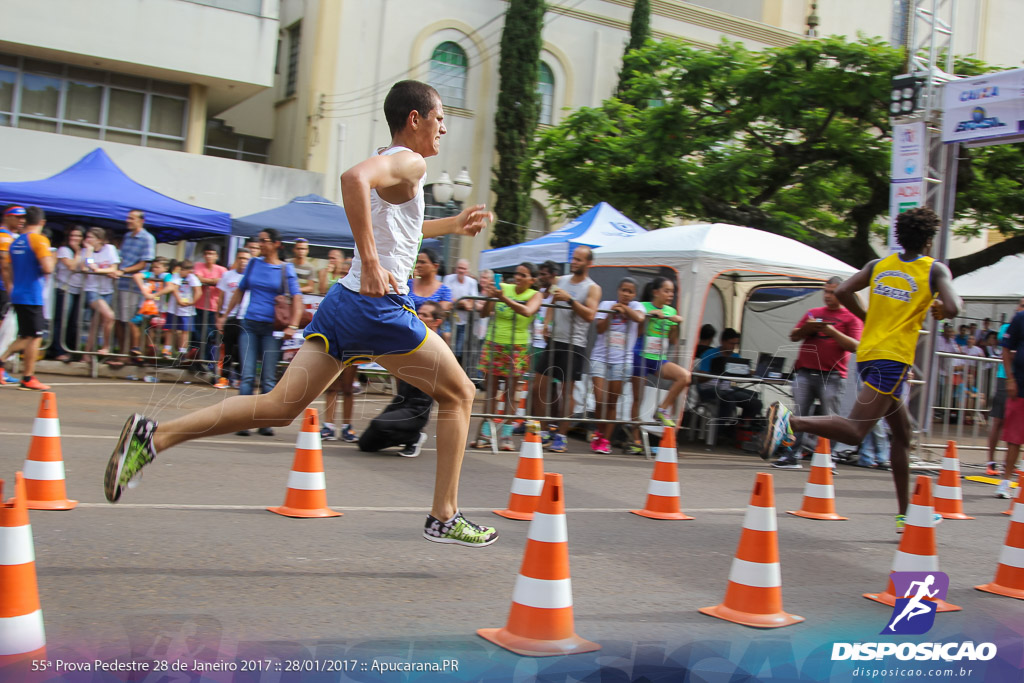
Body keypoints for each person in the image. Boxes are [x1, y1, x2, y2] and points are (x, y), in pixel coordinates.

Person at [103, 80, 499, 548]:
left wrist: (450, 225)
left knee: (279, 406)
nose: (443, 129)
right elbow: (352, 179)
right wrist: (371, 262)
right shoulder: (409, 161)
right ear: (415, 119)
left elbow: (400, 230)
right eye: (439, 119)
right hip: (379, 307)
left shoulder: (398, 164)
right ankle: (444, 515)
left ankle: (154, 437)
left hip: (345, 304)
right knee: (460, 395)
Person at [761, 207, 961, 533]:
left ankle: (905, 514)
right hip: (892, 359)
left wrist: (869, 318)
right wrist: (941, 305)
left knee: (903, 435)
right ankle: (790, 421)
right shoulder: (934, 270)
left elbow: (842, 292)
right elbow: (953, 307)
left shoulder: (878, 265)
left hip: (869, 354)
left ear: (899, 236)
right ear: (928, 240)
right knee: (856, 431)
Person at [771, 276, 862, 469]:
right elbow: (793, 336)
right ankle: (791, 455)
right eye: (826, 291)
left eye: (833, 292)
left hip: (833, 375)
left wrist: (831, 332)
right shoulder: (813, 312)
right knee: (798, 415)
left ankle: (827, 458)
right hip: (804, 372)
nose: (828, 296)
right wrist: (807, 328)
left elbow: (855, 346)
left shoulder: (851, 317)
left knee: (831, 418)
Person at [226, 229, 303, 436]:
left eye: (264, 241)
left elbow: (297, 298)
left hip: (272, 329)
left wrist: (293, 325)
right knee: (247, 374)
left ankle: (264, 421)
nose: (260, 244)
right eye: (259, 240)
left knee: (268, 378)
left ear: (276, 244)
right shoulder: (253, 264)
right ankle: (242, 421)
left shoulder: (285, 269)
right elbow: (240, 290)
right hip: (250, 324)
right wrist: (224, 314)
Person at [357, 301, 448, 457]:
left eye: (425, 315)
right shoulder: (412, 340)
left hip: (417, 410)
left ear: (436, 322)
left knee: (379, 425)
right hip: (400, 402)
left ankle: (415, 437)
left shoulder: (437, 348)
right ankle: (403, 435)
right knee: (365, 444)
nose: (419, 316)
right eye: (419, 313)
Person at [535, 246, 601, 453]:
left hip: (575, 343)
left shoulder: (592, 288)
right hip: (555, 340)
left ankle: (561, 435)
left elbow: (590, 315)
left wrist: (571, 300)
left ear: (589, 264)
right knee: (539, 386)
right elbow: (552, 302)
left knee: (567, 392)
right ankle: (544, 430)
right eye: (573, 258)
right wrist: (546, 322)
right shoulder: (561, 281)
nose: (574, 262)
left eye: (579, 260)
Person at [474, 262, 542, 451]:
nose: (518, 277)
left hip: (517, 347)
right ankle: (486, 432)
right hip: (495, 343)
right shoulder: (503, 287)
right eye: (517, 274)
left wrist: (503, 299)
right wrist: (491, 298)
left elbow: (528, 311)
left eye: (523, 275)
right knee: (491, 391)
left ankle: (506, 434)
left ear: (532, 280)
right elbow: (484, 314)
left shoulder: (535, 295)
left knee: (512, 393)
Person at [0, 206, 55, 390]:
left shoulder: (16, 242)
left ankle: (4, 364)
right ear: (42, 222)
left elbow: (8, 268)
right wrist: (52, 258)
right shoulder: (39, 240)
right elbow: (48, 268)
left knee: (26, 335)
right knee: (35, 336)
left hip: (18, 292)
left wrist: (11, 287)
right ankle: (27, 377)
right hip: (32, 294)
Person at [590, 278, 645, 454]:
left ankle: (605, 440)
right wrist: (611, 313)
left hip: (622, 360)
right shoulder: (606, 304)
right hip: (600, 357)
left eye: (630, 291)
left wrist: (625, 309)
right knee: (599, 399)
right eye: (623, 290)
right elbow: (599, 328)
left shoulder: (637, 306)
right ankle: (599, 432)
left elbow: (639, 318)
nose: (626, 294)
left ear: (634, 294)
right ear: (618, 291)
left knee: (612, 402)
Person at [695, 327, 763, 428]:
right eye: (731, 343)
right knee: (728, 398)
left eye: (736, 344)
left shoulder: (735, 357)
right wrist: (717, 372)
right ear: (722, 341)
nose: (733, 347)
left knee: (755, 400)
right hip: (708, 389)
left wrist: (760, 372)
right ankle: (720, 431)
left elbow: (744, 372)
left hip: (726, 388)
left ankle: (741, 427)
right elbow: (700, 379)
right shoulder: (710, 354)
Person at [986, 300, 1023, 476]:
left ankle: (1011, 465)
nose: (1019, 307)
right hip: (1011, 380)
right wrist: (1010, 379)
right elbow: (1006, 349)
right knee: (1000, 423)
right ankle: (993, 463)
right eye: (1020, 304)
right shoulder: (1014, 322)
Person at [114, 209, 156, 358]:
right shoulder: (127, 236)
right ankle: (122, 353)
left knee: (130, 321)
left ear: (141, 221)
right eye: (128, 218)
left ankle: (132, 354)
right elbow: (122, 259)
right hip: (121, 283)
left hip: (134, 287)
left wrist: (124, 270)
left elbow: (144, 264)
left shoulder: (147, 238)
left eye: (132, 218)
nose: (128, 221)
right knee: (118, 319)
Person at [996, 306, 1024, 499]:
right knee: (1014, 438)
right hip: (1020, 385)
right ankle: (1005, 482)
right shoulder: (1020, 319)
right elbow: (1005, 348)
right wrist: (1010, 378)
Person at [214, 251, 251, 389]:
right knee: (227, 350)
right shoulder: (228, 275)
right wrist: (219, 316)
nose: (243, 261)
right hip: (229, 317)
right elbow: (221, 297)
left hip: (246, 317)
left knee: (243, 350)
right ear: (237, 259)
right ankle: (224, 378)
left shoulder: (251, 276)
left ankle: (242, 379)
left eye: (246, 258)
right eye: (241, 257)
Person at [49, 226, 86, 361]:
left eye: (77, 236)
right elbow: (71, 266)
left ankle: (71, 350)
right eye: (72, 236)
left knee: (74, 322)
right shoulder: (64, 250)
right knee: (61, 320)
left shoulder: (85, 251)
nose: (74, 239)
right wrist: (77, 253)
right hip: (64, 289)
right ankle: (57, 350)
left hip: (78, 289)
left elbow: (87, 266)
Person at [81, 227, 119, 357]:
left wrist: (99, 270)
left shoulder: (110, 249)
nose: (87, 240)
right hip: (92, 289)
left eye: (90, 237)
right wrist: (89, 251)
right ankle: (106, 346)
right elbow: (85, 268)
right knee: (110, 316)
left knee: (95, 323)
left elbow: (113, 268)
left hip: (107, 290)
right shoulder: (86, 251)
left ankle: (86, 354)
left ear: (100, 240)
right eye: (87, 237)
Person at [193, 245, 227, 370]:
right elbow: (197, 278)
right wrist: (214, 281)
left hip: (214, 307)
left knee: (211, 335)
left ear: (216, 256)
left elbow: (222, 280)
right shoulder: (198, 265)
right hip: (199, 306)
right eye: (206, 253)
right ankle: (199, 361)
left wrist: (206, 280)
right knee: (199, 335)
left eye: (211, 253)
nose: (208, 256)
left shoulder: (222, 269)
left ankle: (207, 362)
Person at [442, 258, 479, 362]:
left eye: (464, 268)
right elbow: (447, 298)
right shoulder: (448, 279)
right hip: (449, 318)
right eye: (459, 268)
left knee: (458, 349)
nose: (461, 270)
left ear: (467, 270)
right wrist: (462, 302)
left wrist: (457, 302)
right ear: (456, 268)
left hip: (463, 321)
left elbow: (472, 302)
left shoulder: (472, 282)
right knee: (446, 344)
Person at [165, 259, 201, 359]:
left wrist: (192, 302)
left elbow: (198, 291)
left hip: (187, 310)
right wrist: (179, 300)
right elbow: (174, 288)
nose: (181, 272)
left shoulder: (192, 278)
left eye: (183, 270)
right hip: (174, 308)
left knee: (185, 331)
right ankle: (167, 350)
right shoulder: (176, 276)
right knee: (170, 329)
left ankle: (182, 352)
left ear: (189, 271)